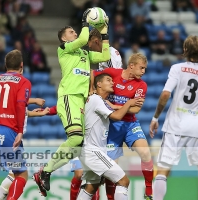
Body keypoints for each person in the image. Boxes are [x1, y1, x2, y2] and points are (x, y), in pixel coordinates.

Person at [33, 9, 110, 194]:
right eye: (71, 32)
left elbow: (104, 56)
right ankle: (46, 171)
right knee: (76, 138)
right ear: (64, 39)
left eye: (75, 31)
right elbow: (83, 39)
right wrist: (85, 21)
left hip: (81, 102)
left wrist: (105, 34)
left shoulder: (84, 54)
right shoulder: (64, 50)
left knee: (78, 144)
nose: (75, 33)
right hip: (69, 97)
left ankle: (46, 172)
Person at [92, 53, 153, 200]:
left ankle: (149, 190)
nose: (143, 71)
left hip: (130, 124)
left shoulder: (141, 85)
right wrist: (91, 91)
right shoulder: (114, 73)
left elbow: (136, 109)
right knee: (112, 167)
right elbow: (92, 73)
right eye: (141, 68)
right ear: (131, 66)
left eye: (145, 68)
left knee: (145, 153)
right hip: (112, 125)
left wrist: (114, 106)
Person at [70, 28, 122, 200]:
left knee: (96, 182)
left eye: (89, 42)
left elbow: (115, 78)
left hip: (105, 111)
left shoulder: (113, 55)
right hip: (94, 114)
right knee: (81, 174)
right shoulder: (88, 57)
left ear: (96, 40)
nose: (88, 46)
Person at [77, 73, 144, 200]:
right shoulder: (96, 99)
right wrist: (129, 102)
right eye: (108, 80)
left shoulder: (99, 101)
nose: (112, 82)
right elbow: (118, 116)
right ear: (99, 84)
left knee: (92, 186)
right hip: (93, 151)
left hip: (89, 150)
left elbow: (115, 110)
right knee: (123, 181)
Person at [149, 35, 198, 200]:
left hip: (175, 125)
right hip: (196, 126)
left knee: (163, 169)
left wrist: (156, 117)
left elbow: (165, 94)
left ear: (185, 50)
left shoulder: (178, 68)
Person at [0, 101, 49, 200]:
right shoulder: (16, 88)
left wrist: (36, 113)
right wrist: (34, 100)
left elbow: (19, 110)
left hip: (6, 134)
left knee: (13, 174)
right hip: (10, 136)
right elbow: (17, 100)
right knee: (21, 174)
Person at [0, 49, 31, 200]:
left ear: (6, 66)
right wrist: (19, 131)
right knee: (21, 173)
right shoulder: (24, 82)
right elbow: (20, 104)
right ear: (22, 65)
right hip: (9, 131)